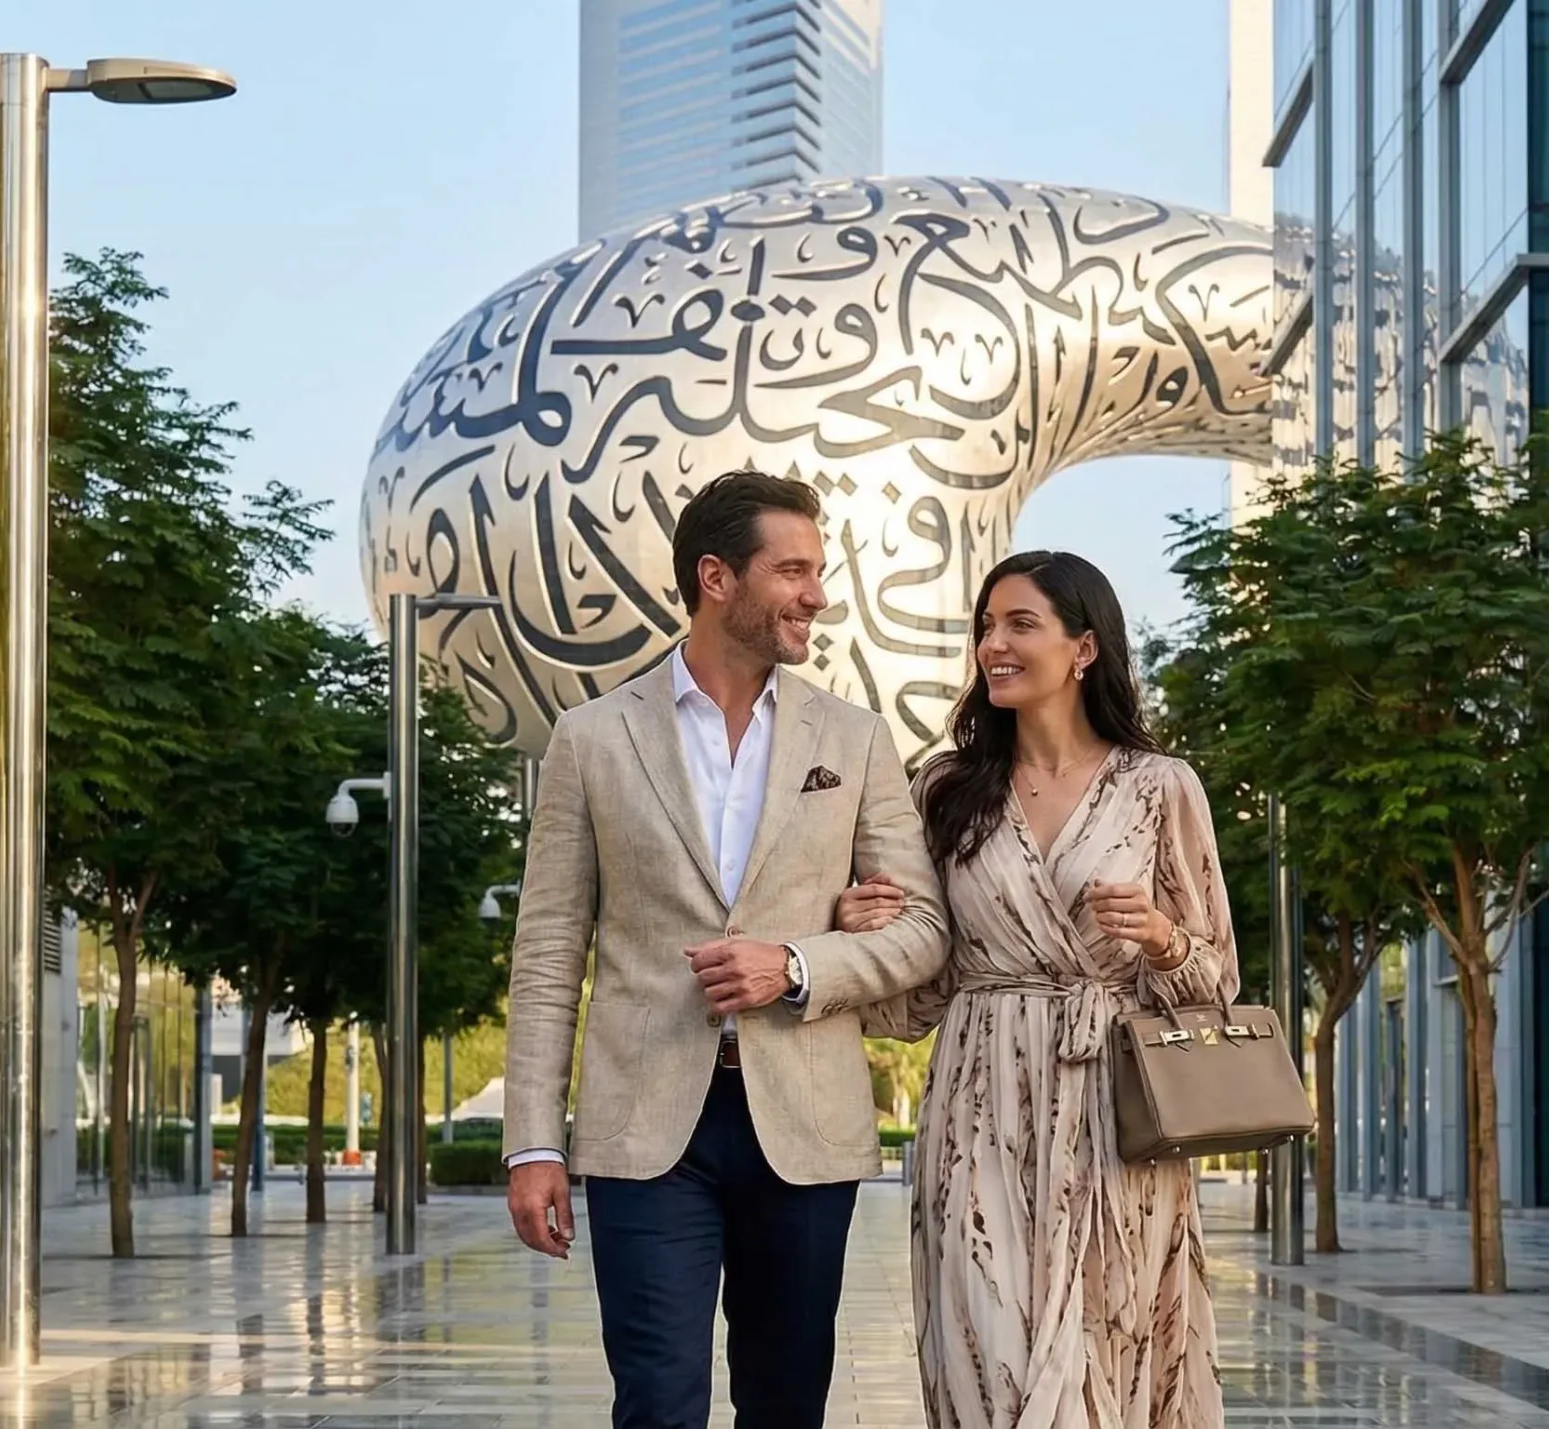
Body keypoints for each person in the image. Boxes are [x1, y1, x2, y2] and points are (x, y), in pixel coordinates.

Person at [502, 468, 950, 1429]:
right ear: (716, 577)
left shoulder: (857, 738)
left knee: (785, 1406)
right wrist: (532, 1142)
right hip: (645, 1128)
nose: (816, 596)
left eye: (817, 572)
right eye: (792, 571)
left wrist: (796, 964)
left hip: (806, 1123)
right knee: (658, 1403)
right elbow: (546, 955)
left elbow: (924, 929)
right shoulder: (590, 739)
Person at [837, 550, 1236, 1428]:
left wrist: (1163, 939)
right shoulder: (945, 790)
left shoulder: (1160, 788)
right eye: (986, 626)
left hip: (1118, 1122)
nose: (993, 645)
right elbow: (913, 998)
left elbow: (1218, 991)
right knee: (987, 1358)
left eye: (1020, 624)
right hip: (978, 1102)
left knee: (1108, 1353)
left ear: (1084, 647)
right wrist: (864, 930)